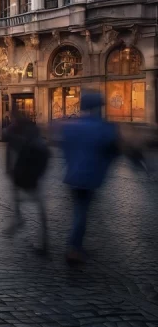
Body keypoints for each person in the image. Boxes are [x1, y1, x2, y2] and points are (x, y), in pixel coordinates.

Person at [59, 91, 119, 264]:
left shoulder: (71, 127)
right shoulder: (103, 127)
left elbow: (65, 149)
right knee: (81, 213)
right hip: (89, 177)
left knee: (81, 211)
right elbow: (113, 149)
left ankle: (76, 246)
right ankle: (74, 248)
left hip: (73, 176)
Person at [4, 110, 50, 254]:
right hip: (34, 171)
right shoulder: (34, 129)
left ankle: (19, 221)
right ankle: (42, 238)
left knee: (23, 198)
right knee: (37, 203)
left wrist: (9, 169)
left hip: (23, 170)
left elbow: (10, 151)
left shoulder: (14, 132)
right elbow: (45, 151)